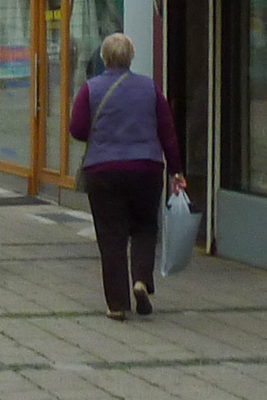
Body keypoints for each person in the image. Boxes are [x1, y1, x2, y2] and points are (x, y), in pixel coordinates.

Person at [68, 32, 186, 318]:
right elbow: (167, 132)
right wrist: (176, 171)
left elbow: (78, 129)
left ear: (104, 57)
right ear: (131, 57)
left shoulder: (90, 89)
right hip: (146, 168)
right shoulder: (150, 88)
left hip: (103, 171)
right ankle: (141, 280)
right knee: (145, 227)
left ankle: (118, 305)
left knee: (111, 236)